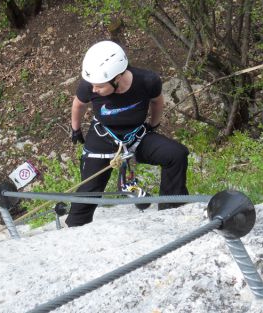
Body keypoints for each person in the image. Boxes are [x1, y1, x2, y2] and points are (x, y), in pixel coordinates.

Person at [68, 40, 189, 227]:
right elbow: (79, 104)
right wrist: (76, 129)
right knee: (90, 189)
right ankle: (75, 228)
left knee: (176, 154)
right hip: (103, 136)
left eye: (99, 86)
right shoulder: (89, 85)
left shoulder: (147, 81)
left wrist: (153, 126)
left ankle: (171, 213)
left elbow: (157, 102)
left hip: (136, 135)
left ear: (117, 78)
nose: (94, 89)